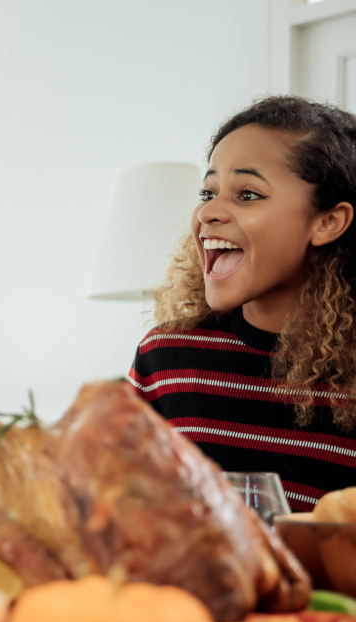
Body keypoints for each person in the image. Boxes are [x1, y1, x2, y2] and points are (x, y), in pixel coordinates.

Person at [130, 96, 356, 512]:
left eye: (248, 194)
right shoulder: (165, 358)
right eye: (208, 191)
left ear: (327, 222)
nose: (209, 211)